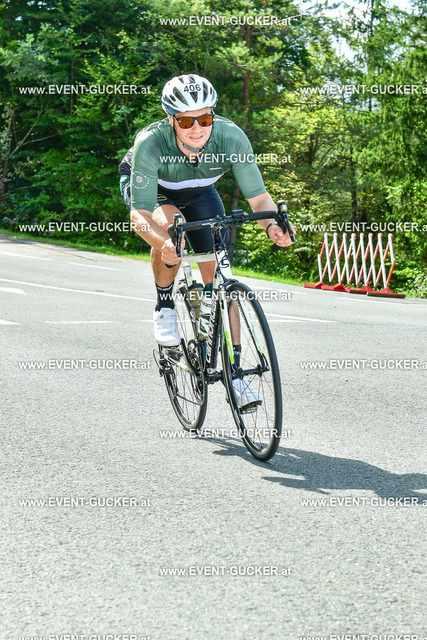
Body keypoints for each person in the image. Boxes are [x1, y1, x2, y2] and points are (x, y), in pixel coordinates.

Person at [118, 74, 294, 405]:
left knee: (221, 278)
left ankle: (235, 374)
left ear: (213, 114)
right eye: (186, 121)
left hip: (200, 190)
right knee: (174, 232)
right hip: (156, 191)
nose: (197, 128)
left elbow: (259, 199)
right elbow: (139, 217)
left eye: (205, 118)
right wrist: (164, 244)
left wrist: (272, 225)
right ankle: (165, 305)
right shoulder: (150, 143)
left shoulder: (231, 137)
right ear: (171, 118)